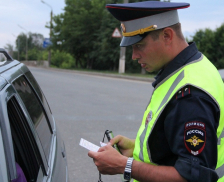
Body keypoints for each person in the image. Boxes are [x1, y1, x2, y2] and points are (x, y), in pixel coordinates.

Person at [88, 1, 224, 182]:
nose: (134, 55)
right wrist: (136, 149)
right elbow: (178, 147)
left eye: (139, 46)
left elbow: (192, 176)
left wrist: (124, 165)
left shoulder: (190, 95)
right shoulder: (195, 67)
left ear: (167, 35)